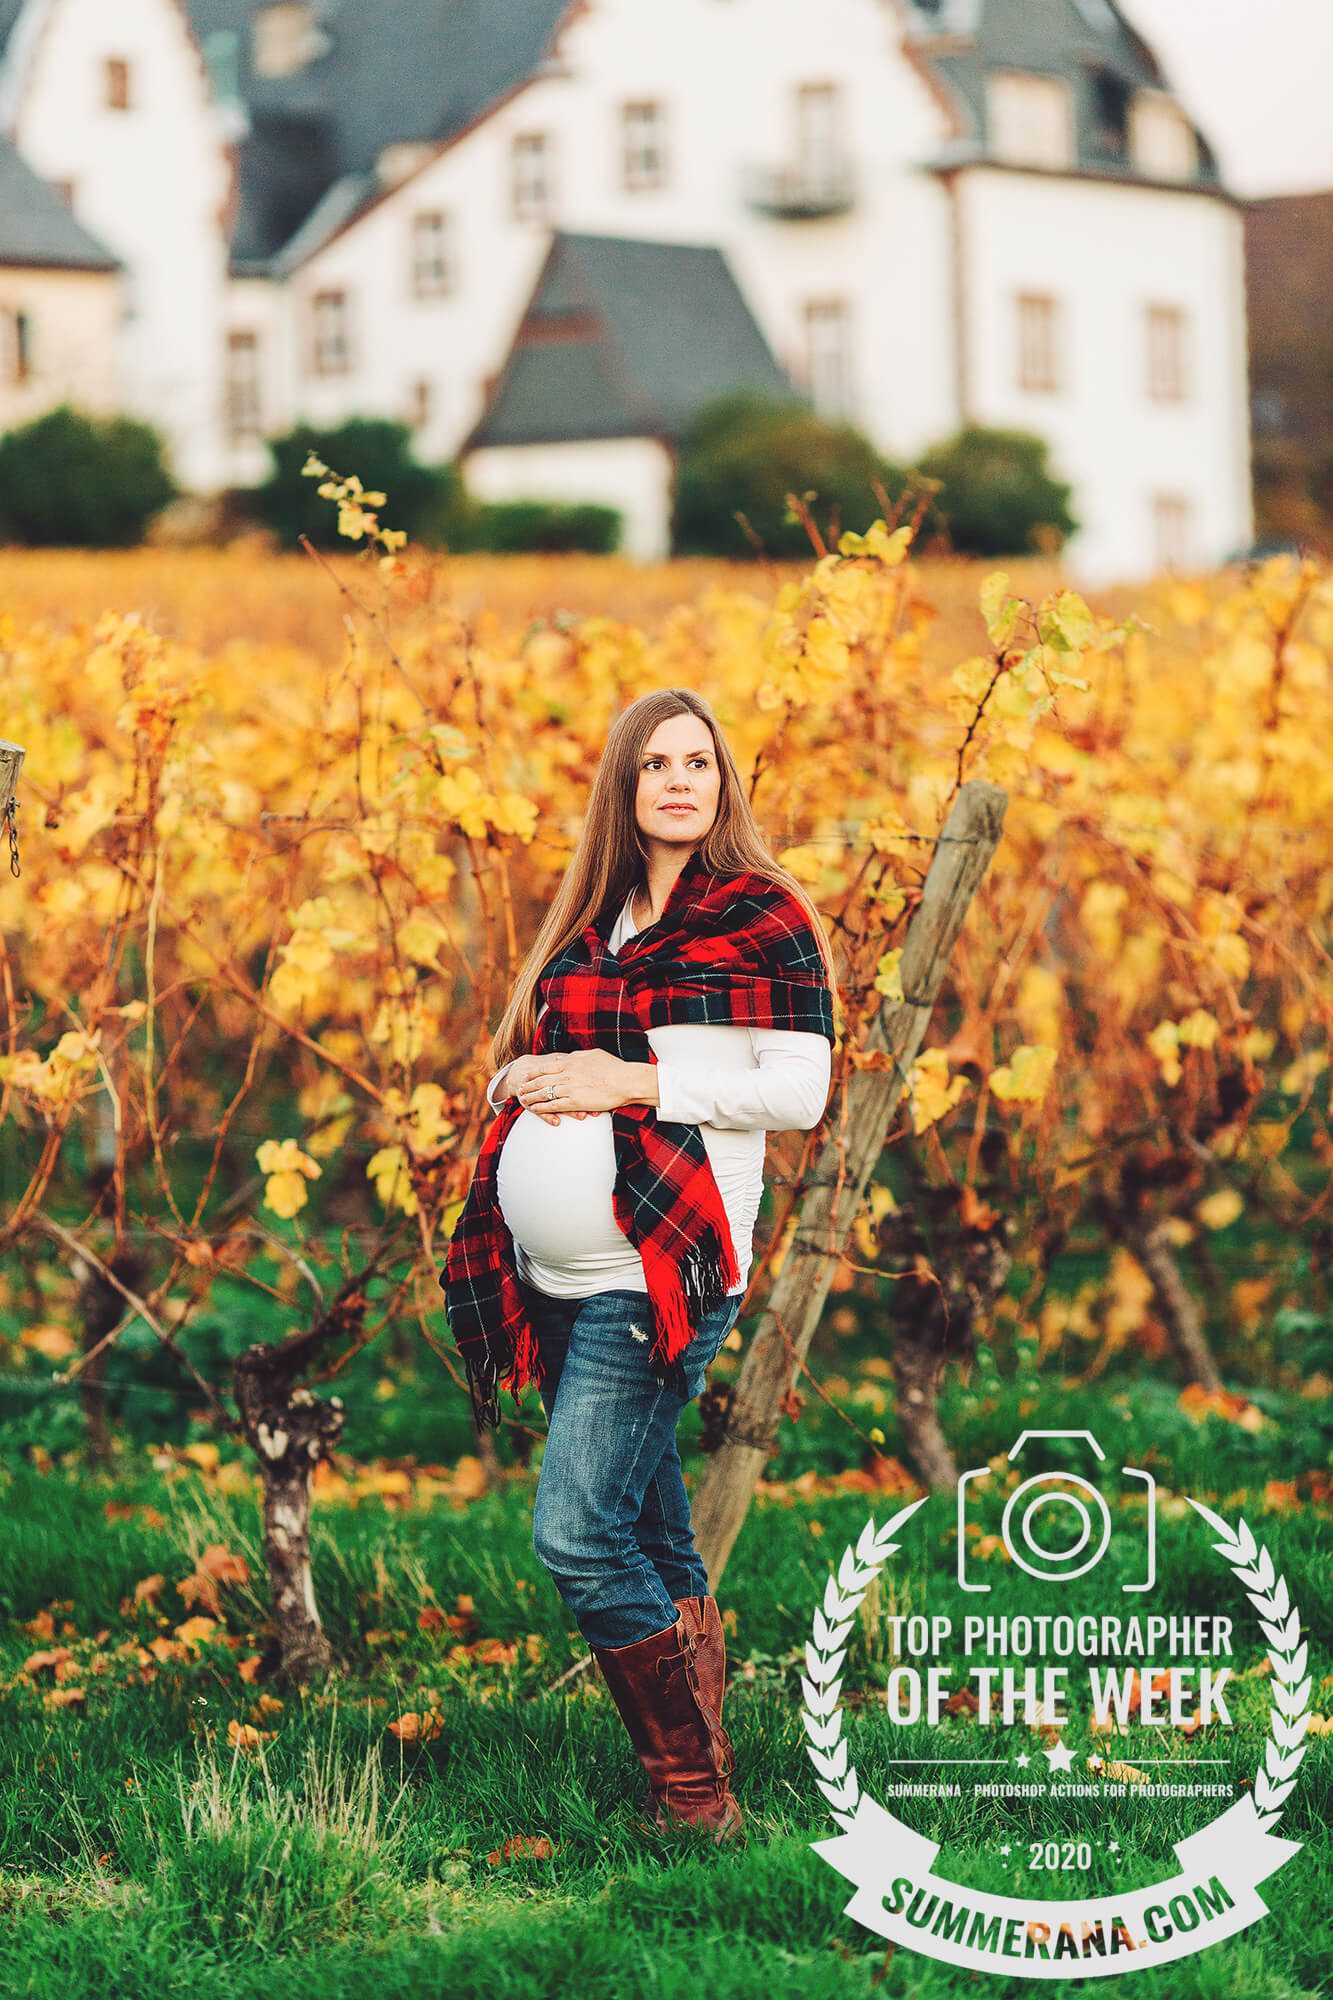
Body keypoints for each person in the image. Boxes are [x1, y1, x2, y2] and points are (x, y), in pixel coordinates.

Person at [441, 686, 838, 1842]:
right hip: (558, 1278)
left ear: (723, 784)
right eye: (655, 762)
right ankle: (705, 1766)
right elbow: (558, 1051)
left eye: (698, 763)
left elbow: (800, 1092)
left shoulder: (762, 916)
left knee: (575, 1530)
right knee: (654, 1529)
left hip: (666, 1266)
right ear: (623, 785)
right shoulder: (597, 920)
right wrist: (521, 1080)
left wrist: (634, 1080)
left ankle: (692, 1797)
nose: (678, 779)